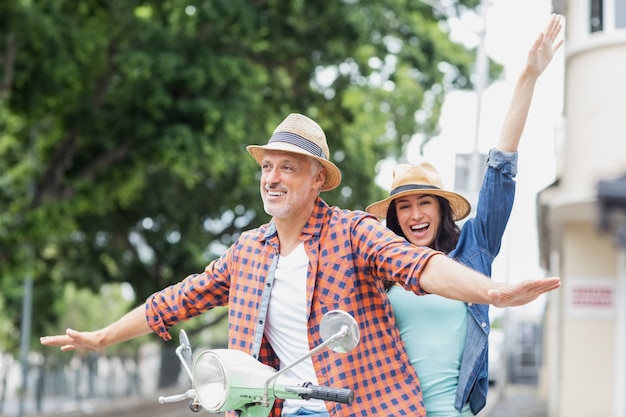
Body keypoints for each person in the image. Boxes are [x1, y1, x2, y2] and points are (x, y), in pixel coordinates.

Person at [40, 112, 560, 417]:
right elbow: (175, 300)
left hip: (368, 406)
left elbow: (416, 266)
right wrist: (102, 337)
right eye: (267, 167)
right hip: (284, 408)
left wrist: (488, 292)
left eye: (287, 167)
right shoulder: (247, 252)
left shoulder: (353, 232)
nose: (272, 177)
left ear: (317, 180)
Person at [364, 14, 564, 417]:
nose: (415, 215)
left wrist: (528, 75)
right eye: (404, 206)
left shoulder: (474, 248)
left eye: (424, 203)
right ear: (394, 217)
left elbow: (500, 170)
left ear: (441, 210)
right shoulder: (382, 265)